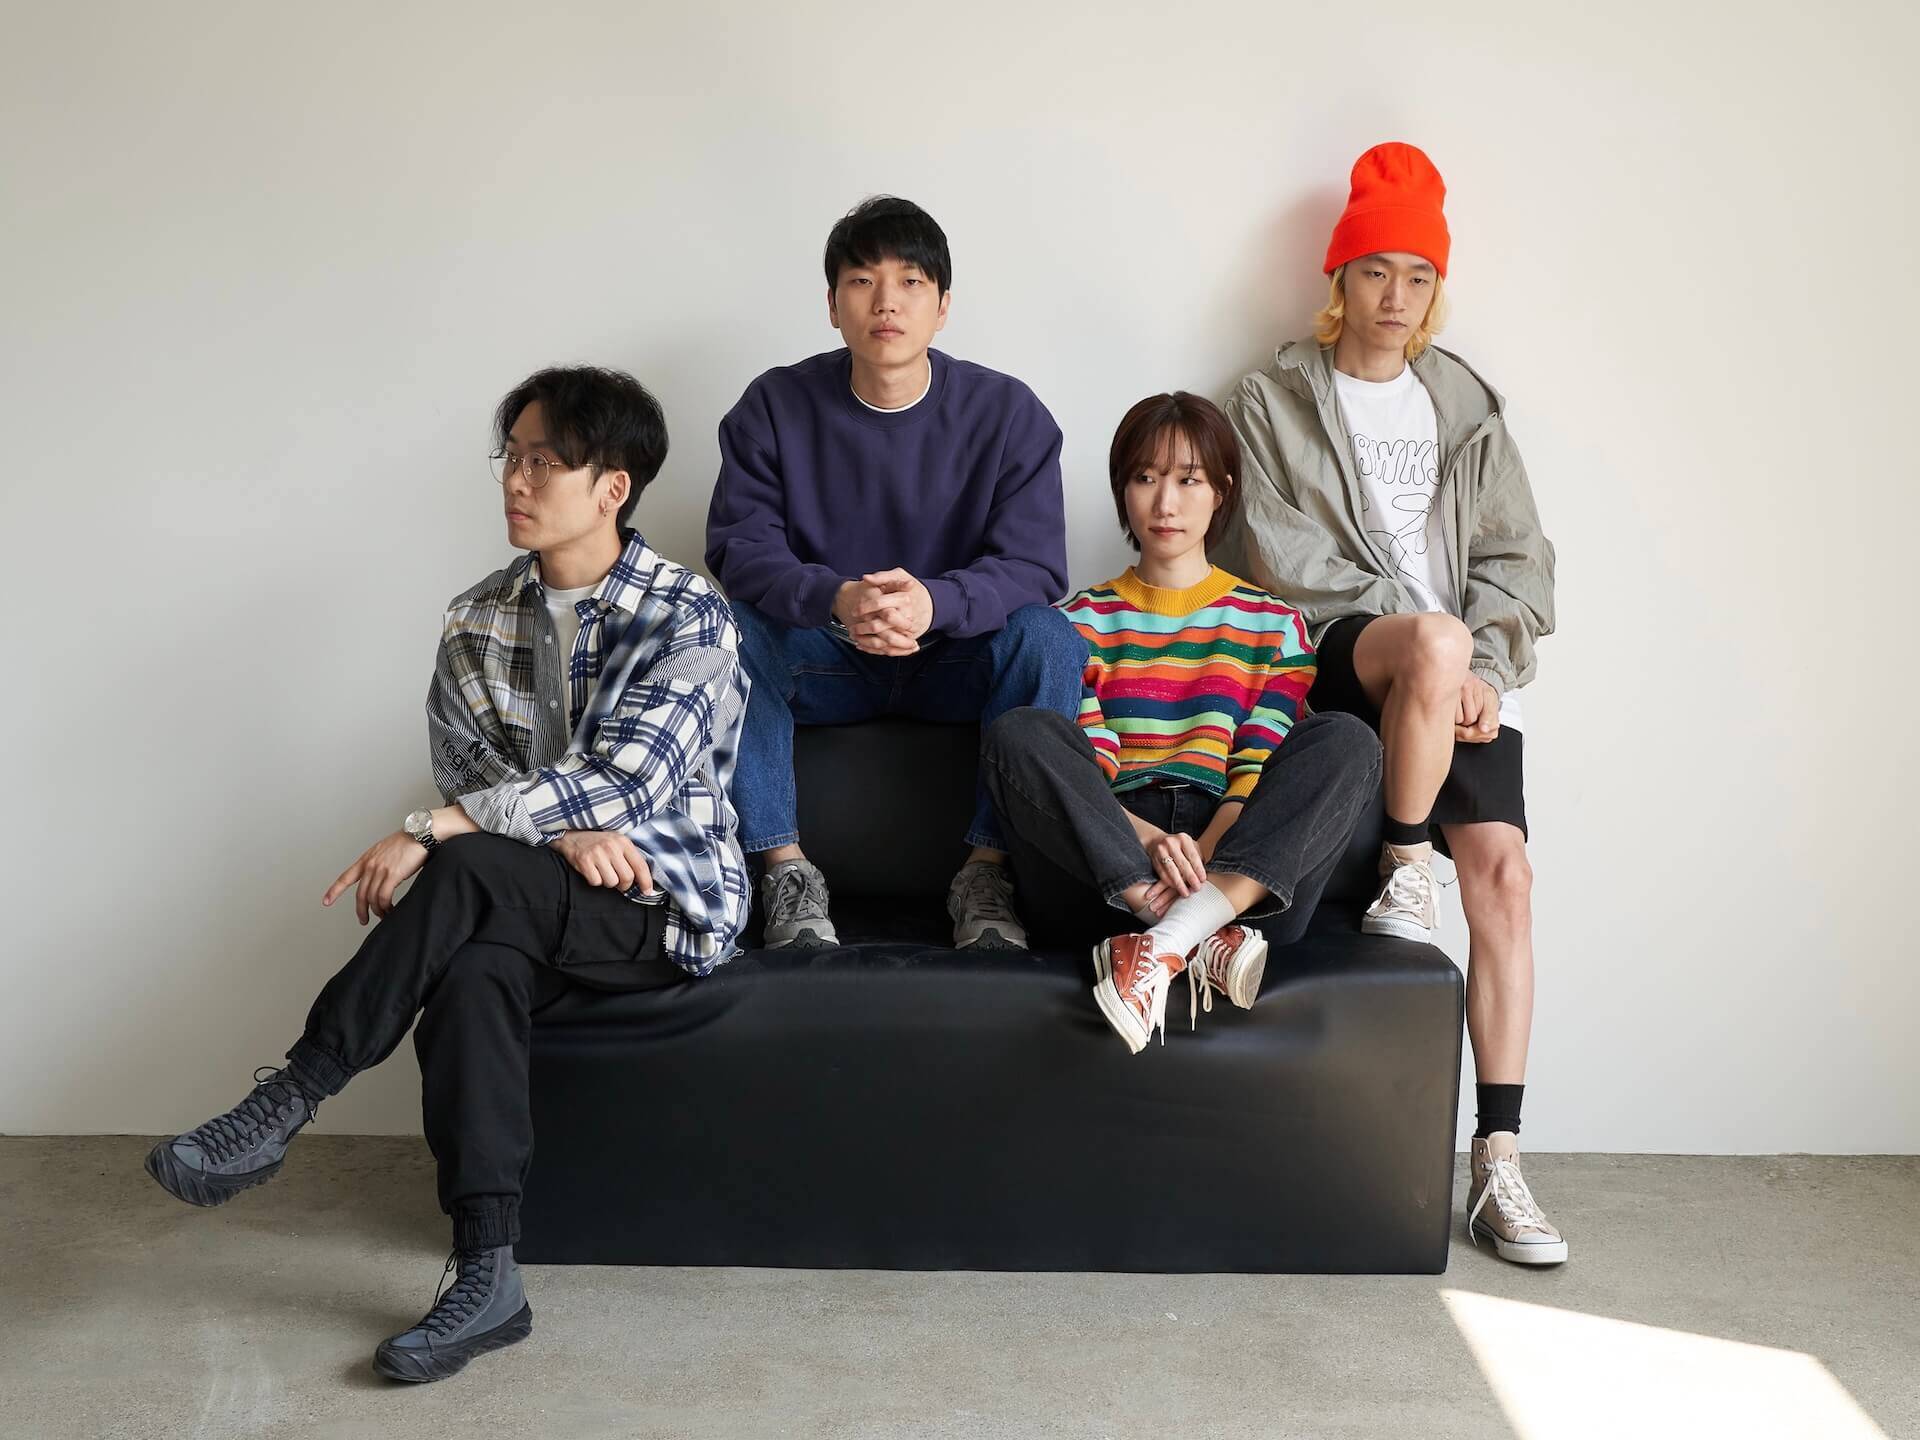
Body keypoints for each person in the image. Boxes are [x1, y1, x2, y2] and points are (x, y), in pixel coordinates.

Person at [144, 366, 752, 1379]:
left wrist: (438, 830)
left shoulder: (690, 616)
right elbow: (476, 773)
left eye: (545, 461)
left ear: (613, 486)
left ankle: (292, 1096)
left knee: (463, 868)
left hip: (659, 903)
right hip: (532, 890)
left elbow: (629, 782)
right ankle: (488, 1273)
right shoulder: (476, 618)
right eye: (511, 457)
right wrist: (550, 831)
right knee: (472, 972)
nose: (516, 479)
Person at [1215, 142, 1564, 1264]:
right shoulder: (1272, 399)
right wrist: (1433, 647)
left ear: (1435, 287)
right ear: (1340, 279)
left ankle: (1498, 1162)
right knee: (1434, 638)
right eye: (1375, 271)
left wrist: (1482, 669)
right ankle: (1406, 866)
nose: (1395, 297)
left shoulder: (1466, 407)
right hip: (1344, 653)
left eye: (1417, 275)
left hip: (1457, 678)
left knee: (1506, 878)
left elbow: (1518, 558)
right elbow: (1276, 555)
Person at [705, 195, 1087, 953]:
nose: (887, 302)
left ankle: (986, 872)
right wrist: (838, 597)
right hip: (826, 654)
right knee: (723, 630)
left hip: (953, 658)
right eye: (862, 281)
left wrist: (934, 603)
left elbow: (1035, 564)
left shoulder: (1009, 413)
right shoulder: (774, 406)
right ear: (832, 305)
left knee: (1047, 638)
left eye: (911, 282)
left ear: (942, 306)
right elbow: (740, 548)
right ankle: (784, 869)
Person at [981, 393, 1381, 1052]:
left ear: (1221, 491)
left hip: (1241, 864)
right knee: (1019, 732)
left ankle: (1168, 938)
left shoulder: (1274, 623)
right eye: (1145, 478)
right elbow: (1087, 763)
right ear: (1123, 490)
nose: (1165, 502)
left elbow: (1259, 754)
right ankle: (1192, 932)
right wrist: (1147, 846)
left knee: (1348, 739)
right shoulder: (1076, 620)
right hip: (1105, 865)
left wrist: (1210, 851)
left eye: (1188, 480)